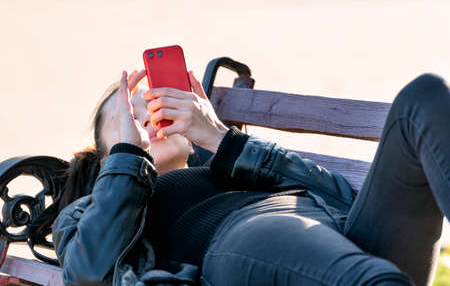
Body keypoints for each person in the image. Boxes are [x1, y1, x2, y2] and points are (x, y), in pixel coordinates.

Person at [52, 69, 450, 286]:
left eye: (160, 104)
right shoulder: (87, 216)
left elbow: (342, 197)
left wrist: (220, 138)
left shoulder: (228, 167)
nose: (153, 120)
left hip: (352, 241)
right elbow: (89, 275)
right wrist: (130, 158)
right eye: (132, 117)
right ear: (109, 159)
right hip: (243, 243)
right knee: (271, 229)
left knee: (424, 97)